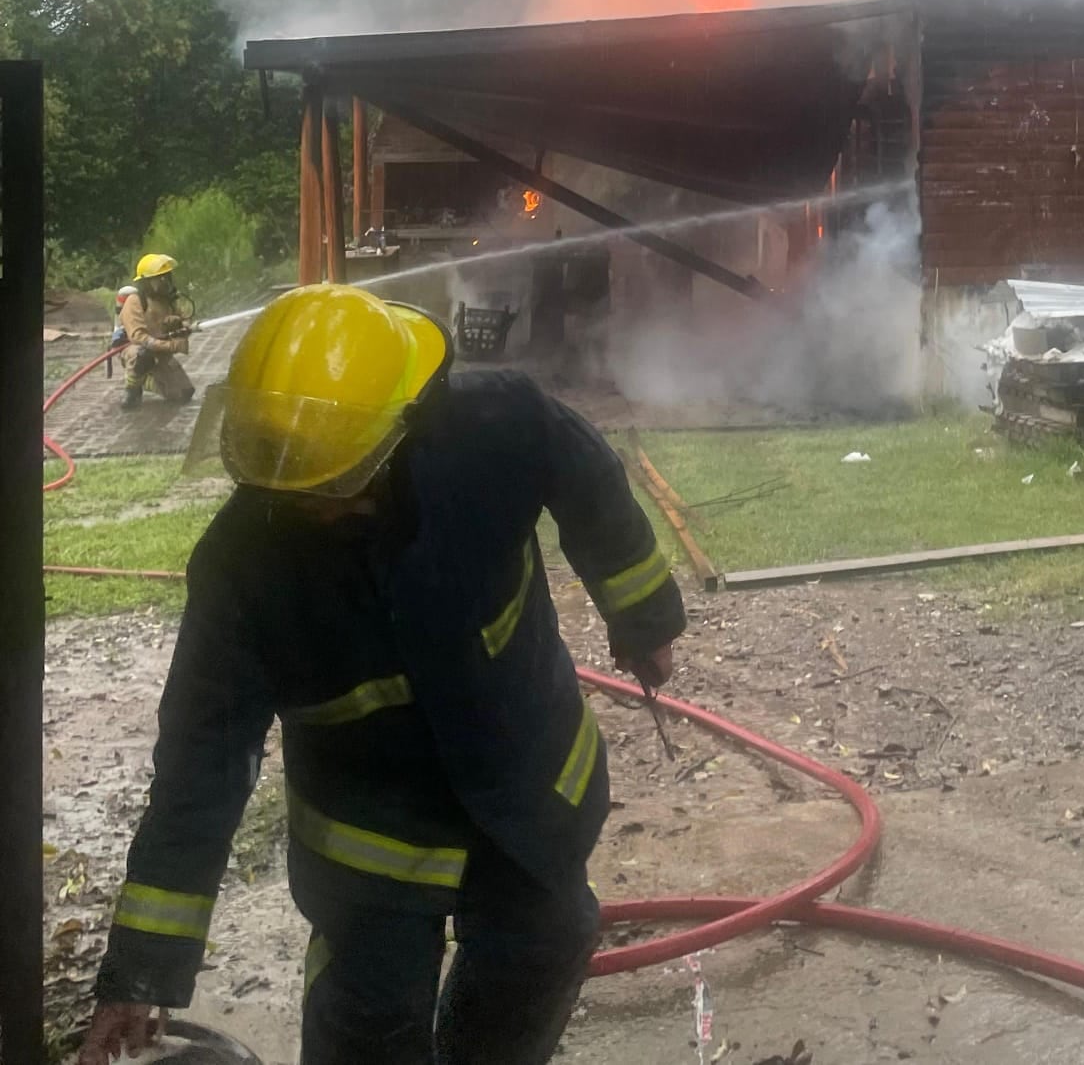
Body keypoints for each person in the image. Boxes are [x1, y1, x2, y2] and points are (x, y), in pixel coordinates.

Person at [79, 285, 685, 1065]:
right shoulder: (241, 571)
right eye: (278, 462)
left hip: (524, 791)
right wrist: (141, 968)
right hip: (371, 848)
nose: (304, 499)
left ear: (398, 435)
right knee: (368, 1024)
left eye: (330, 478)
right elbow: (199, 765)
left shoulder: (493, 428)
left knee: (541, 951)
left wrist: (643, 619)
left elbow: (591, 479)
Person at [118, 253, 195, 411]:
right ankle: (133, 388)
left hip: (160, 355)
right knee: (141, 354)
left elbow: (185, 322)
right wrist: (171, 346)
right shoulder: (136, 301)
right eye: (159, 278)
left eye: (166, 277)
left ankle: (147, 381)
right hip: (138, 351)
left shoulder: (168, 301)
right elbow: (139, 337)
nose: (164, 282)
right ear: (146, 281)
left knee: (184, 393)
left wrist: (179, 323)